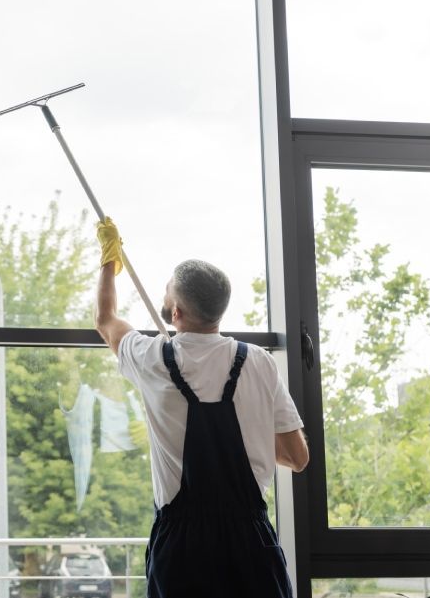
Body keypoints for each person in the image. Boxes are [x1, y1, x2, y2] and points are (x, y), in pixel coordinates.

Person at [93, 217, 308, 598]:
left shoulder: (153, 357)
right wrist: (250, 434)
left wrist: (110, 259)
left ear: (175, 312)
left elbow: (106, 320)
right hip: (251, 547)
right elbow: (297, 457)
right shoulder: (258, 361)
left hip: (182, 551)